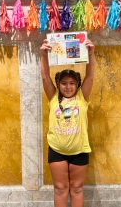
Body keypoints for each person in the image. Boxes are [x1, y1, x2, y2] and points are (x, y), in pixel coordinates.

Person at [40, 38, 95, 207]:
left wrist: (91, 54)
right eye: (64, 83)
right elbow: (44, 76)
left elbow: (90, 75)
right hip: (57, 150)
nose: (68, 87)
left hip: (79, 150)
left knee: (77, 188)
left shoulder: (82, 97)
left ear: (78, 85)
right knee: (60, 188)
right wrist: (43, 55)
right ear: (58, 84)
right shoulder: (53, 97)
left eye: (72, 83)